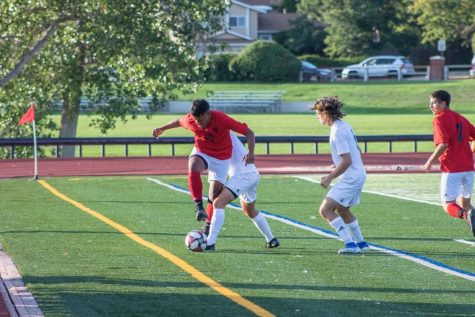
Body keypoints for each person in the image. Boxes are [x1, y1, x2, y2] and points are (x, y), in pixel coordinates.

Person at [152, 99, 255, 221]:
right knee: (193, 166)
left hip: (221, 158)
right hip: (202, 152)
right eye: (195, 119)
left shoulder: (222, 119)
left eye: (200, 120)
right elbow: (178, 122)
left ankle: (207, 227)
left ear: (208, 113)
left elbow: (249, 132)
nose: (197, 122)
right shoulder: (191, 120)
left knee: (214, 196)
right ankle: (199, 207)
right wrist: (162, 128)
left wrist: (251, 152)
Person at [311, 96, 369, 254]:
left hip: (351, 177)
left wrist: (330, 177)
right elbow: (353, 153)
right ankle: (362, 243)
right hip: (358, 174)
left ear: (325, 113)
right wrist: (337, 165)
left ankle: (350, 244)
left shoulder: (337, 131)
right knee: (343, 210)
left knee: (325, 210)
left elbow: (347, 161)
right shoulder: (344, 126)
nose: (316, 116)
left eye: (317, 113)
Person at [205, 133, 280, 251]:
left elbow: (249, 133)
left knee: (218, 203)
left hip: (243, 176)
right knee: (249, 210)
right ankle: (271, 240)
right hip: (252, 175)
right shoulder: (219, 134)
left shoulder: (218, 134)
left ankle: (210, 243)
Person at [423, 90, 475, 236]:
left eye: (433, 102)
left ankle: (465, 216)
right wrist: (470, 152)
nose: (430, 106)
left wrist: (430, 160)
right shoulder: (461, 118)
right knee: (466, 204)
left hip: (452, 168)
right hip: (469, 168)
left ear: (443, 103)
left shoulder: (439, 119)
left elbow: (443, 144)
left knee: (448, 204)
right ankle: (468, 216)